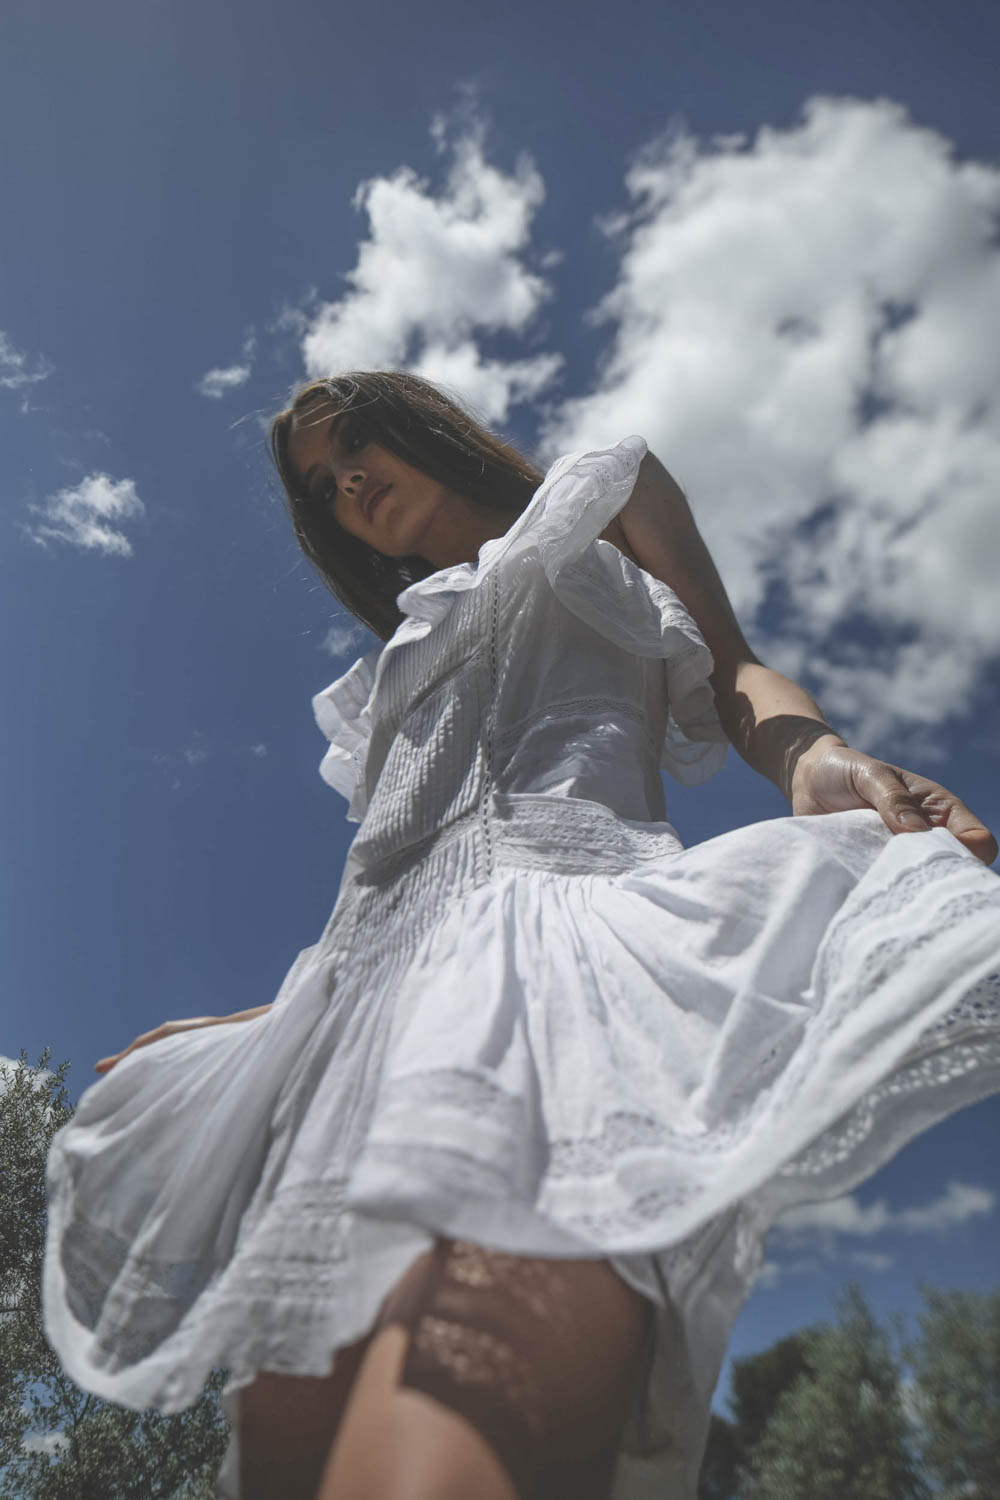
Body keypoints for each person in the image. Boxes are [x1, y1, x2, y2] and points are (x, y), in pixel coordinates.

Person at [44, 370, 1000, 1500]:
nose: (346, 480)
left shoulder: (607, 496)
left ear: (425, 425)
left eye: (356, 443)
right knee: (295, 1461)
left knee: (442, 1452)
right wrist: (261, 1022)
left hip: (551, 968)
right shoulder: (387, 664)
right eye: (321, 485)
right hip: (346, 1043)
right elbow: (389, 884)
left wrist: (812, 756)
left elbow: (733, 670)